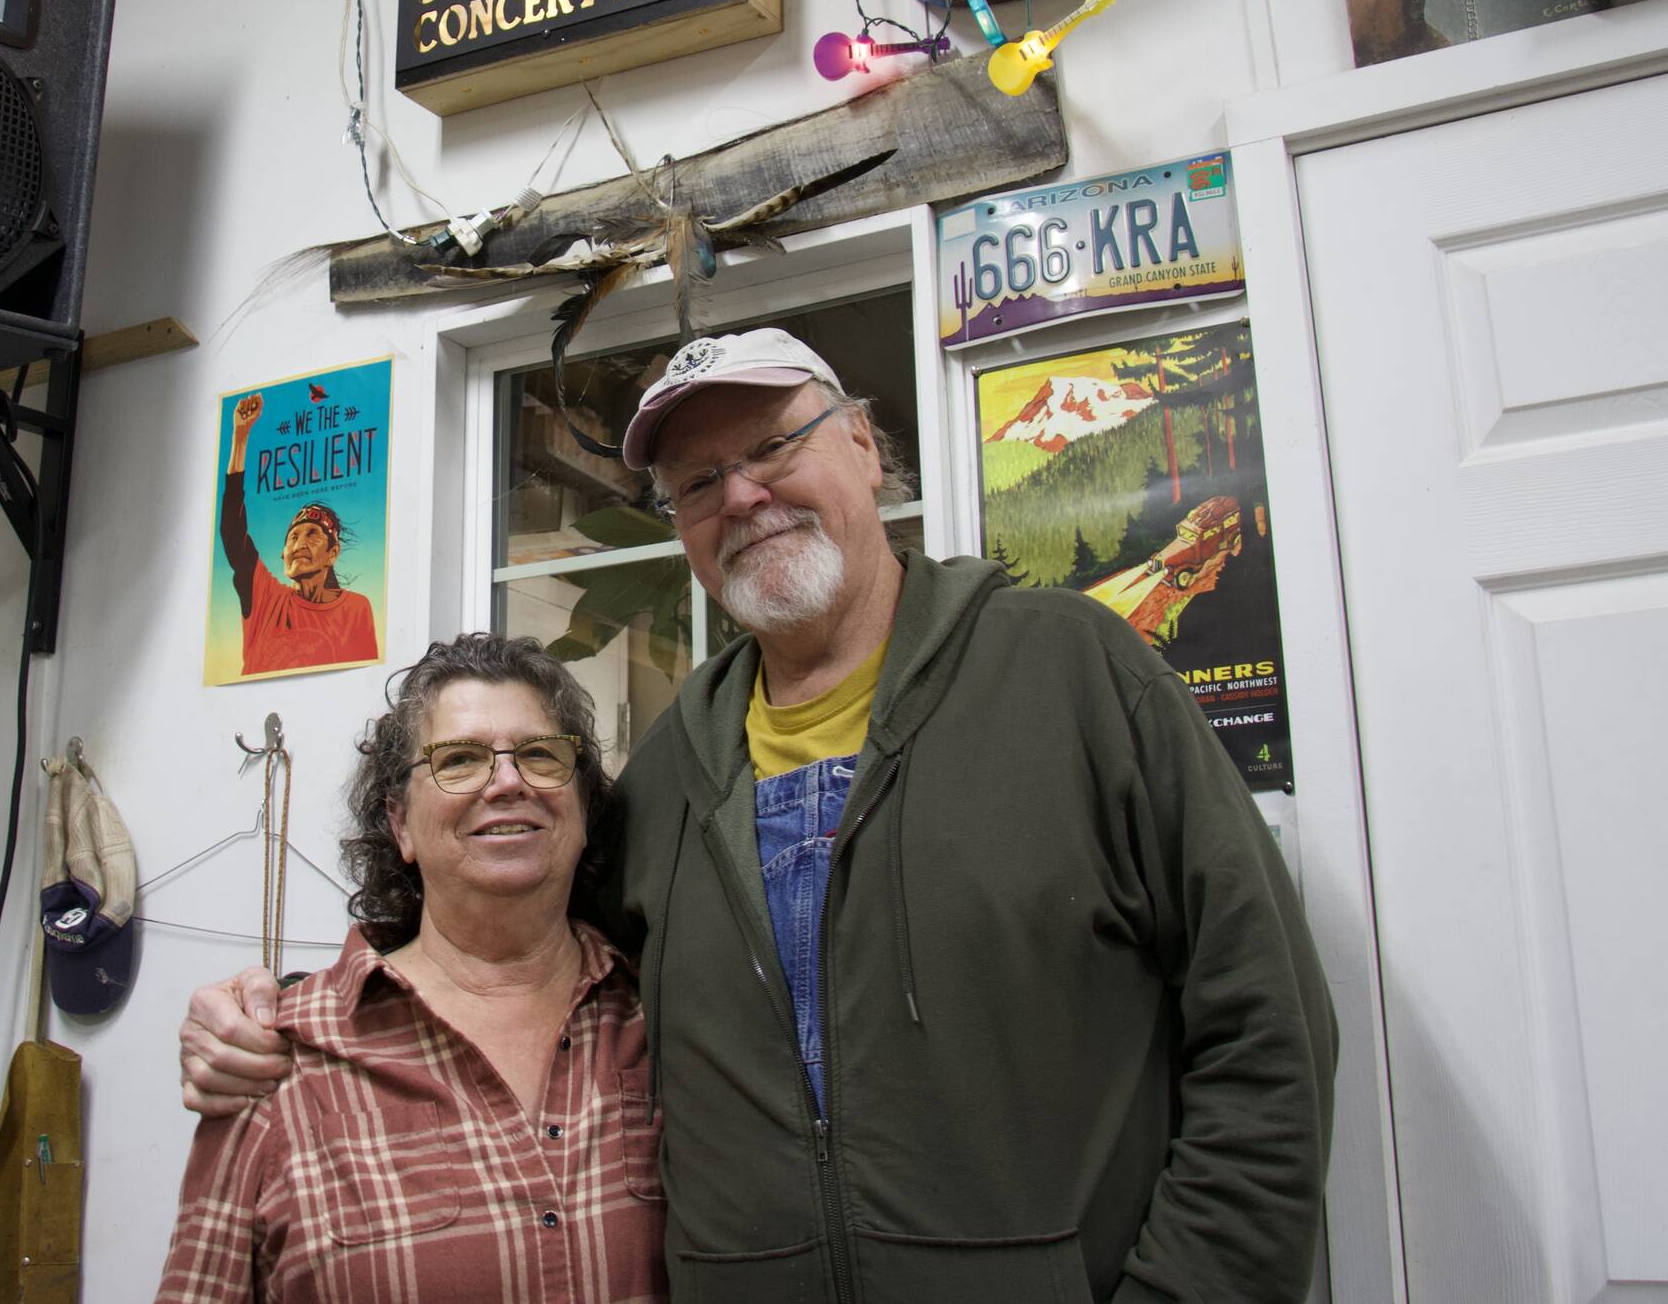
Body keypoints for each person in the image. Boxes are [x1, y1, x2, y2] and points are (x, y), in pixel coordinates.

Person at [180, 329, 1337, 1303]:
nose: (740, 494)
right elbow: (512, 946)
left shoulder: (1068, 674)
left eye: (773, 443)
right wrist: (280, 1014)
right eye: (695, 483)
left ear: (865, 446)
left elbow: (1263, 1028)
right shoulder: (671, 771)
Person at [156, 633, 667, 1302]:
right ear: (400, 823)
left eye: (541, 755)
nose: (508, 781)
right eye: (459, 760)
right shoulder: (278, 1062)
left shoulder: (659, 1015)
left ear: (582, 807)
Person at [221, 391, 378, 674]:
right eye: (293, 537)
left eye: (312, 534)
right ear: (282, 556)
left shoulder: (356, 610)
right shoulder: (265, 598)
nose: (299, 543)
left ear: (333, 552)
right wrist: (241, 438)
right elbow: (233, 531)